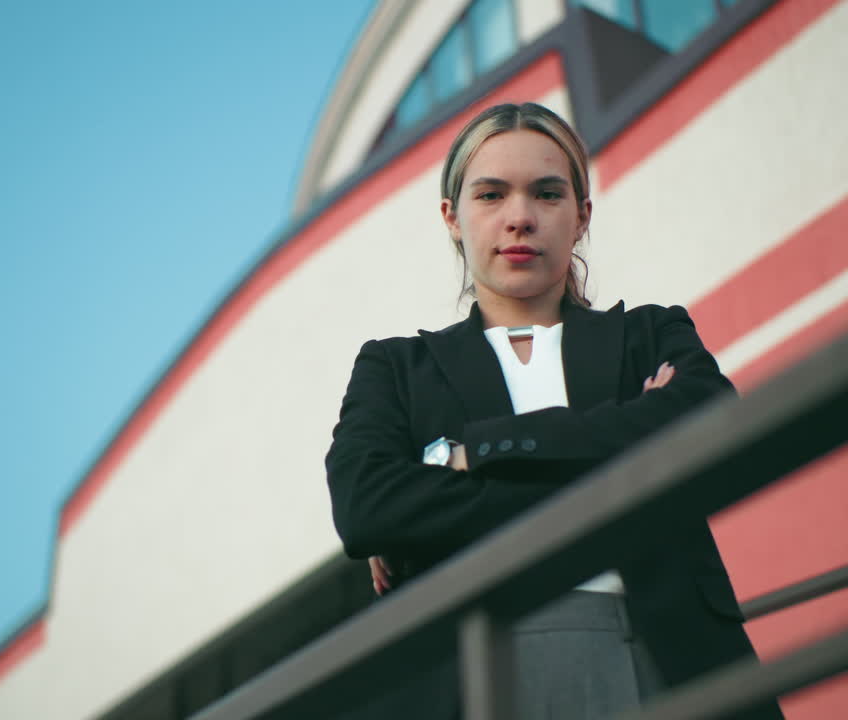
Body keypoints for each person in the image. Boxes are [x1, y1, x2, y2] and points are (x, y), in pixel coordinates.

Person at [325, 102, 783, 719]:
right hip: (468, 680)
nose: (519, 218)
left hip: (665, 661)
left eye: (546, 193)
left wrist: (475, 455)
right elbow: (366, 508)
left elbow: (712, 428)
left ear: (581, 215)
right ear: (452, 218)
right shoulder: (395, 369)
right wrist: (622, 460)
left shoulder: (650, 335)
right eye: (490, 195)